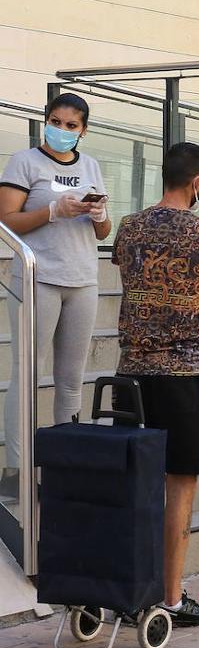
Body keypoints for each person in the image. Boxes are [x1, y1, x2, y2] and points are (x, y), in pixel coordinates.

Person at [110, 142, 199, 626]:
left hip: (129, 375)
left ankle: (127, 589)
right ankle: (172, 600)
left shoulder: (129, 226)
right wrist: (189, 305)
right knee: (179, 488)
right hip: (183, 377)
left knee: (133, 484)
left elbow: (131, 283)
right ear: (198, 182)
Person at [0, 93, 111, 496]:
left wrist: (99, 215)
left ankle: (66, 464)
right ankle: (16, 468)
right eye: (56, 122)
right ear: (46, 122)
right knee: (28, 372)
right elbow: (6, 220)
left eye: (71, 125)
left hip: (82, 280)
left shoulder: (91, 166)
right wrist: (51, 212)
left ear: (83, 130)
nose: (62, 130)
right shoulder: (24, 161)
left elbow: (103, 233)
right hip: (39, 278)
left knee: (71, 379)